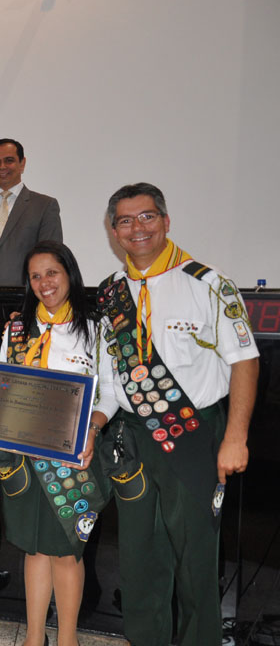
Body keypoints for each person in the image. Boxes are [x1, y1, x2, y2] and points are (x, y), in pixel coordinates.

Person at [97, 183, 258, 646]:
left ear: (166, 222)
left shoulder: (209, 282)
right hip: (133, 441)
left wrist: (236, 436)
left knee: (194, 561)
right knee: (140, 560)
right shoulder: (111, 293)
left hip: (194, 435)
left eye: (147, 217)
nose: (137, 228)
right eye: (125, 221)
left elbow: (244, 361)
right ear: (114, 231)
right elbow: (111, 383)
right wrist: (95, 423)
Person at [0, 240, 117, 646]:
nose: (44, 283)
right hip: (24, 458)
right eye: (35, 276)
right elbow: (0, 388)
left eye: (51, 273)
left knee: (67, 551)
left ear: (69, 274)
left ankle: (67, 639)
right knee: (34, 549)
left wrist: (92, 428)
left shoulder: (95, 328)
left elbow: (111, 392)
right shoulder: (17, 329)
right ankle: (34, 638)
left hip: (74, 458)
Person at [0, 139, 62, 286]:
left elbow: (50, 260)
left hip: (25, 300)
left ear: (22, 163)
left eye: (9, 160)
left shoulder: (45, 206)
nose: (2, 167)